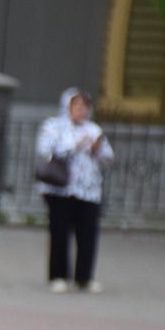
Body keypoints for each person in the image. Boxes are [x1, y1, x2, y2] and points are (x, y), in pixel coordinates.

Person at [36, 86, 113, 293]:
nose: (82, 110)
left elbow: (108, 157)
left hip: (88, 191)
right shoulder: (54, 127)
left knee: (87, 233)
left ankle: (84, 277)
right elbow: (47, 151)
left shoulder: (93, 129)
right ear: (67, 106)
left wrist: (97, 149)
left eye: (85, 106)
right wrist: (76, 146)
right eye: (77, 105)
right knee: (60, 232)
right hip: (60, 190)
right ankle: (58, 275)